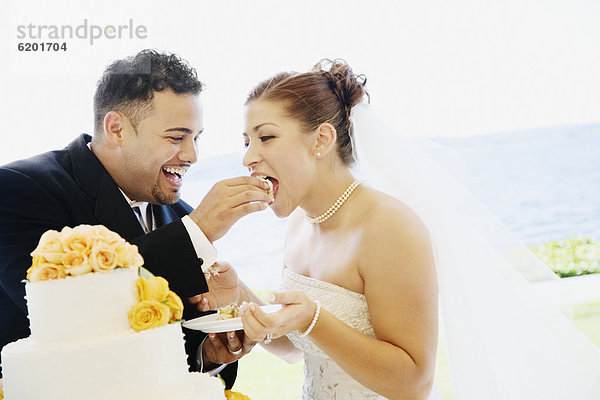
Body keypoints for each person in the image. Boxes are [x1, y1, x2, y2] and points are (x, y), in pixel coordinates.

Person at [198, 59, 600, 399]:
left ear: (321, 140)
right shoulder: (302, 223)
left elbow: (414, 382)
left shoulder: (388, 226)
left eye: (266, 137)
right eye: (246, 141)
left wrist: (312, 318)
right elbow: (296, 347)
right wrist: (239, 293)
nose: (249, 157)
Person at [0, 49, 271, 388]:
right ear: (117, 129)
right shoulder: (17, 189)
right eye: (176, 137)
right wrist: (197, 232)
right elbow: (62, 315)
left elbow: (163, 344)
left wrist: (208, 354)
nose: (192, 156)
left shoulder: (181, 216)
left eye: (196, 138)